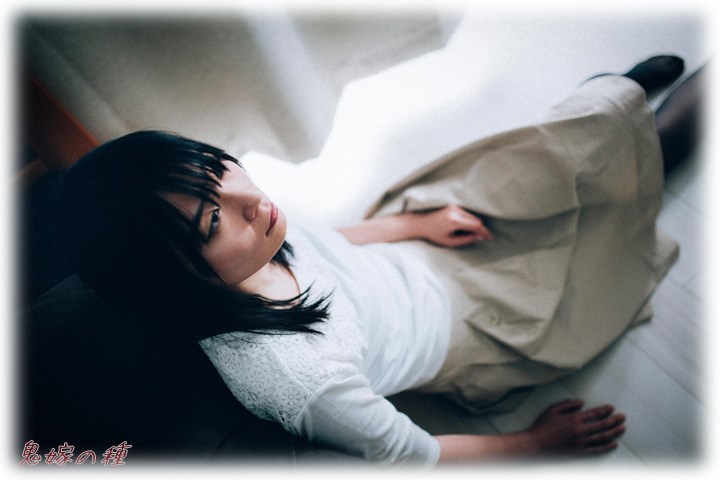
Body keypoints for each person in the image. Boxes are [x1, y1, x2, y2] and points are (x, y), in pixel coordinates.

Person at [58, 55, 701, 466]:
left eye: (215, 167)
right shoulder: (297, 378)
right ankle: (642, 124)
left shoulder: (259, 230)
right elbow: (411, 453)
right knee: (609, 209)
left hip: (417, 256)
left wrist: (416, 224)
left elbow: (333, 242)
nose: (249, 198)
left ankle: (611, 108)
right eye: (211, 219)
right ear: (173, 279)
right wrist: (534, 443)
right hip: (475, 334)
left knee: (548, 160)